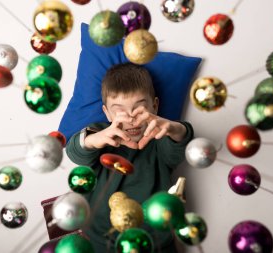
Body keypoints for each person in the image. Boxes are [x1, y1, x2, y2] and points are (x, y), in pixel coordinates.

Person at [66, 62, 194, 252]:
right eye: (120, 111)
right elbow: (76, 152)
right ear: (107, 113)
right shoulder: (101, 134)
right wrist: (94, 139)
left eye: (139, 109)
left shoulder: (160, 138)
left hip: (155, 243)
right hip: (101, 242)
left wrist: (174, 127)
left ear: (155, 106)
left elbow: (180, 143)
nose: (131, 118)